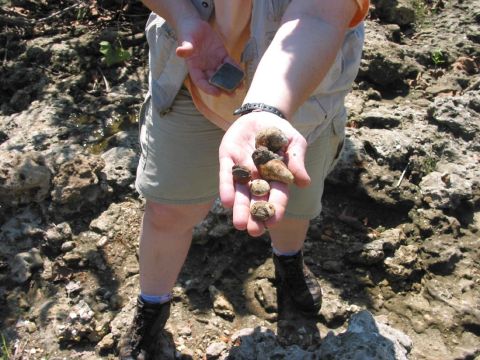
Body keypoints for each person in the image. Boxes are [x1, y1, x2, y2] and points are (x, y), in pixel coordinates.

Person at [119, 0, 369, 358]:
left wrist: (264, 109)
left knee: (292, 203)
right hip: (191, 74)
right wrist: (184, 16)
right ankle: (152, 309)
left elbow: (318, 13)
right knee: (167, 209)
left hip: (303, 80)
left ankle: (288, 265)